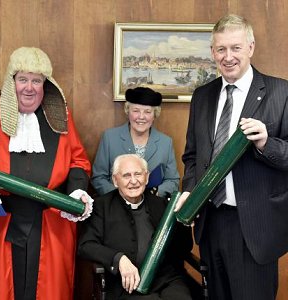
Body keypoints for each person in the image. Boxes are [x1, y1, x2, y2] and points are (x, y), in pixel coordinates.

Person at [175, 14, 288, 300]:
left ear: (250, 47)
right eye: (221, 49)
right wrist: (190, 190)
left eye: (235, 48)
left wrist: (265, 143)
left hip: (255, 227)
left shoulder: (281, 92)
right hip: (211, 222)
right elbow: (192, 156)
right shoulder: (202, 96)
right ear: (212, 52)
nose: (228, 57)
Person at [0, 47, 92, 300]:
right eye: (22, 79)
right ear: (11, 80)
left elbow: (78, 160)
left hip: (51, 221)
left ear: (45, 83)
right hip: (3, 220)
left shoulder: (60, 112)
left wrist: (76, 193)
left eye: (37, 81)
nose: (29, 87)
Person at [79, 154, 193, 300]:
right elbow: (86, 246)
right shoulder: (101, 207)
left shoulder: (163, 205)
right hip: (125, 286)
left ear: (147, 177)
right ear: (115, 180)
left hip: (166, 281)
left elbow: (184, 247)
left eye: (138, 174)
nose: (133, 181)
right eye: (126, 175)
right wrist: (118, 259)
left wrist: (184, 220)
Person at [91, 87, 179, 197]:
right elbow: (99, 178)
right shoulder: (109, 138)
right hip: (116, 206)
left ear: (154, 115)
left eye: (147, 112)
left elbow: (172, 181)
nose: (141, 117)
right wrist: (122, 197)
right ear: (128, 111)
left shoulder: (166, 142)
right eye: (136, 111)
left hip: (153, 207)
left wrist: (152, 195)